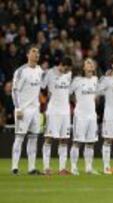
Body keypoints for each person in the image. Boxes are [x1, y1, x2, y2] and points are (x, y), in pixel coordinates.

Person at [11, 45, 44, 175]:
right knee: (19, 138)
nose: (37, 54)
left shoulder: (40, 70)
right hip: (23, 110)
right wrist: (18, 108)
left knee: (33, 138)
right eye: (34, 52)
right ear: (27, 55)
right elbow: (14, 91)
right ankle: (14, 167)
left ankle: (31, 168)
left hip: (35, 110)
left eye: (38, 53)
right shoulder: (21, 71)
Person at [41, 57, 73, 175]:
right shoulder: (50, 73)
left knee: (64, 139)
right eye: (66, 68)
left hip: (65, 111)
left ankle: (62, 168)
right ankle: (46, 168)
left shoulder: (69, 74)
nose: (67, 71)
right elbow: (42, 86)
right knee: (48, 138)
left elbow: (68, 92)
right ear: (61, 64)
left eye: (69, 69)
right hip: (53, 111)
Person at [70, 58, 99, 175]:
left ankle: (88, 168)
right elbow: (68, 93)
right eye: (87, 63)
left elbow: (96, 96)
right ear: (83, 67)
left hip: (92, 115)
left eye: (91, 63)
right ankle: (73, 167)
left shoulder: (96, 80)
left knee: (90, 142)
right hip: (80, 115)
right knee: (77, 141)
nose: (90, 64)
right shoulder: (77, 80)